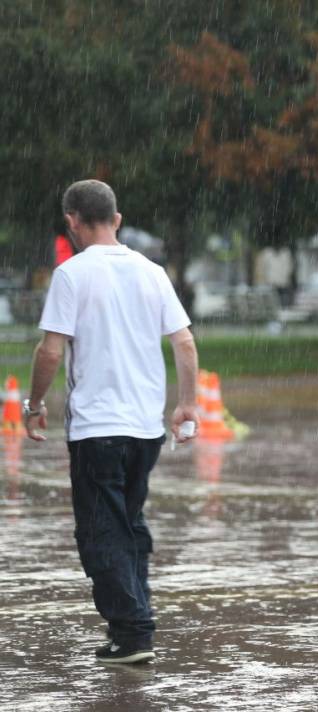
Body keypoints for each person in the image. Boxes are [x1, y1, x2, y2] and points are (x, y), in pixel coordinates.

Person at [23, 180, 200, 664]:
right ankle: (133, 620)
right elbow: (184, 342)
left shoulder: (72, 275)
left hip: (97, 428)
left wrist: (34, 403)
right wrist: (188, 404)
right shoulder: (151, 271)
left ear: (72, 222)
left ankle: (133, 632)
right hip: (146, 428)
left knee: (101, 533)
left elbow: (51, 350)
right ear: (117, 220)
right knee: (127, 522)